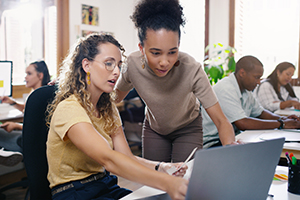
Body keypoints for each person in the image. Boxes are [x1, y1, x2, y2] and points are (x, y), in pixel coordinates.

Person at [46, 33, 188, 200]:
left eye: (119, 65)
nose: (116, 72)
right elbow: (109, 160)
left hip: (105, 185)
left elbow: (124, 156)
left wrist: (160, 167)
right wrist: (166, 183)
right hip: (75, 192)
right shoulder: (69, 108)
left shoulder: (108, 108)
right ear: (86, 65)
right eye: (108, 64)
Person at [115, 0, 237, 163]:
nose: (164, 62)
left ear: (179, 45)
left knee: (185, 179)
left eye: (172, 52)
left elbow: (221, 121)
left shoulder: (192, 69)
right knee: (155, 181)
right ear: (141, 48)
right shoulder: (132, 64)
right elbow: (114, 99)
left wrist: (231, 148)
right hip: (154, 128)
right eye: (156, 53)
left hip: (188, 128)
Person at [202, 55, 300, 148]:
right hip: (213, 142)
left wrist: (283, 118)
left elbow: (260, 112)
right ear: (242, 73)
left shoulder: (245, 90)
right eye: (256, 77)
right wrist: (281, 123)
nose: (258, 82)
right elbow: (242, 123)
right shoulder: (226, 88)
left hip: (234, 138)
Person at [0, 60, 50, 166]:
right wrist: (12, 103)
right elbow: (28, 110)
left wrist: (17, 126)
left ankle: (2, 152)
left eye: (29, 74)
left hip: (35, 140)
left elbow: (41, 127)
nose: (25, 77)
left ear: (40, 75)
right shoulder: (38, 94)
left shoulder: (40, 97)